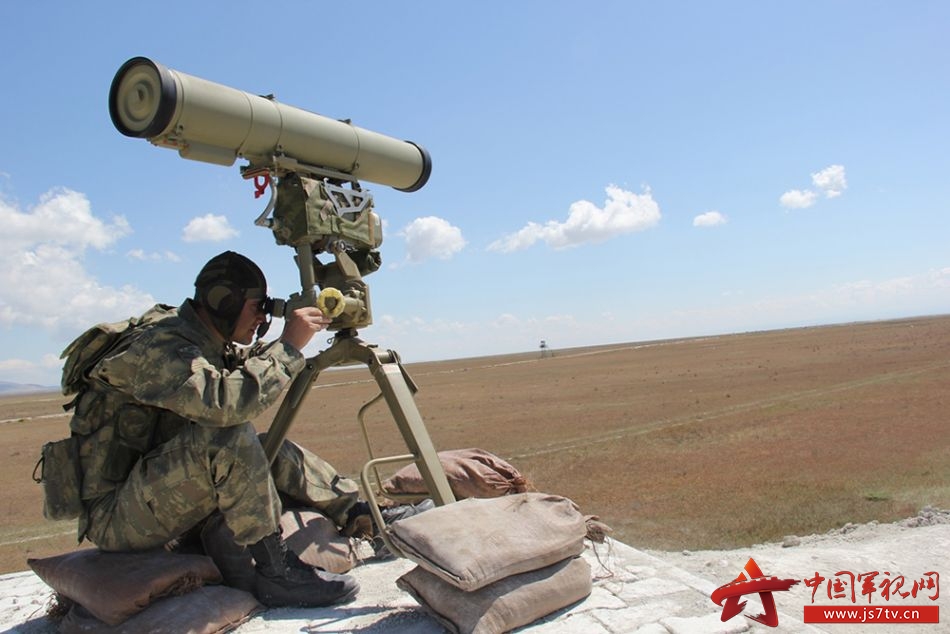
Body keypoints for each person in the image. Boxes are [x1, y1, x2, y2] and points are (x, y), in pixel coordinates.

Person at [65, 250, 364, 608]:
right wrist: (288, 347)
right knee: (228, 437)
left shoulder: (200, 340)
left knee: (269, 446)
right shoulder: (161, 344)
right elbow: (226, 403)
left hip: (155, 491)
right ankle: (276, 572)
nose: (261, 318)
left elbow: (241, 371)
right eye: (257, 307)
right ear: (224, 301)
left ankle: (357, 512)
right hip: (118, 515)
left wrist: (292, 341)